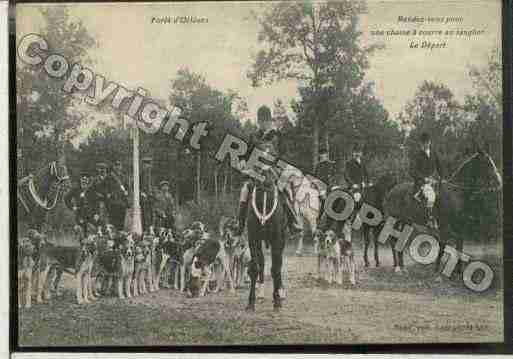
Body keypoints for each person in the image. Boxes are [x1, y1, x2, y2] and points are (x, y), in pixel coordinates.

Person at [236, 105, 302, 237]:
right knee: (244, 190)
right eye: (260, 122)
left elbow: (285, 155)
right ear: (258, 122)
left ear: (269, 121)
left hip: (274, 172)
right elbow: (244, 154)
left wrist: (278, 167)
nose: (263, 125)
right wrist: (243, 160)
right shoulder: (253, 136)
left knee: (286, 190)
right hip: (256, 173)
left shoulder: (278, 136)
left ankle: (292, 223)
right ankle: (240, 224)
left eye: (265, 122)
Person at [409, 132, 443, 215]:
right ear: (420, 143)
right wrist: (424, 178)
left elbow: (440, 167)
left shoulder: (434, 153)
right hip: (421, 183)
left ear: (430, 142)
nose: (425, 145)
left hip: (434, 181)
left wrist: (443, 178)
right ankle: (430, 218)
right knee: (431, 197)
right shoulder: (416, 155)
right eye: (423, 143)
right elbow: (412, 170)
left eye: (427, 142)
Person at [106, 160, 129, 231]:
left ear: (121, 167)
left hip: (122, 202)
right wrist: (107, 194)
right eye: (116, 166)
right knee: (113, 222)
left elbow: (128, 188)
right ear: (113, 167)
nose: (117, 167)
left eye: (119, 165)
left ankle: (120, 236)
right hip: (113, 202)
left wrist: (127, 193)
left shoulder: (124, 177)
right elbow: (104, 186)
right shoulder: (109, 177)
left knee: (121, 222)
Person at [87, 162, 110, 230]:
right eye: (100, 169)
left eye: (104, 169)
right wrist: (96, 194)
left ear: (106, 169)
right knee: (101, 216)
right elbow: (90, 190)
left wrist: (110, 194)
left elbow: (114, 188)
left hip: (110, 201)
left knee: (110, 217)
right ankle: (100, 230)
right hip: (100, 201)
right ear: (98, 170)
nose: (102, 170)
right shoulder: (95, 180)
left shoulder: (110, 178)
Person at [314, 148, 336, 216]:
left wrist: (333, 185)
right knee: (324, 201)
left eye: (324, 154)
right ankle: (320, 217)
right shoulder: (318, 165)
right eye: (321, 155)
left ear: (326, 155)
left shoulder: (331, 164)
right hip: (321, 186)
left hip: (331, 186)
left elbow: (335, 176)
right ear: (319, 155)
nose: (322, 156)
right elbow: (316, 177)